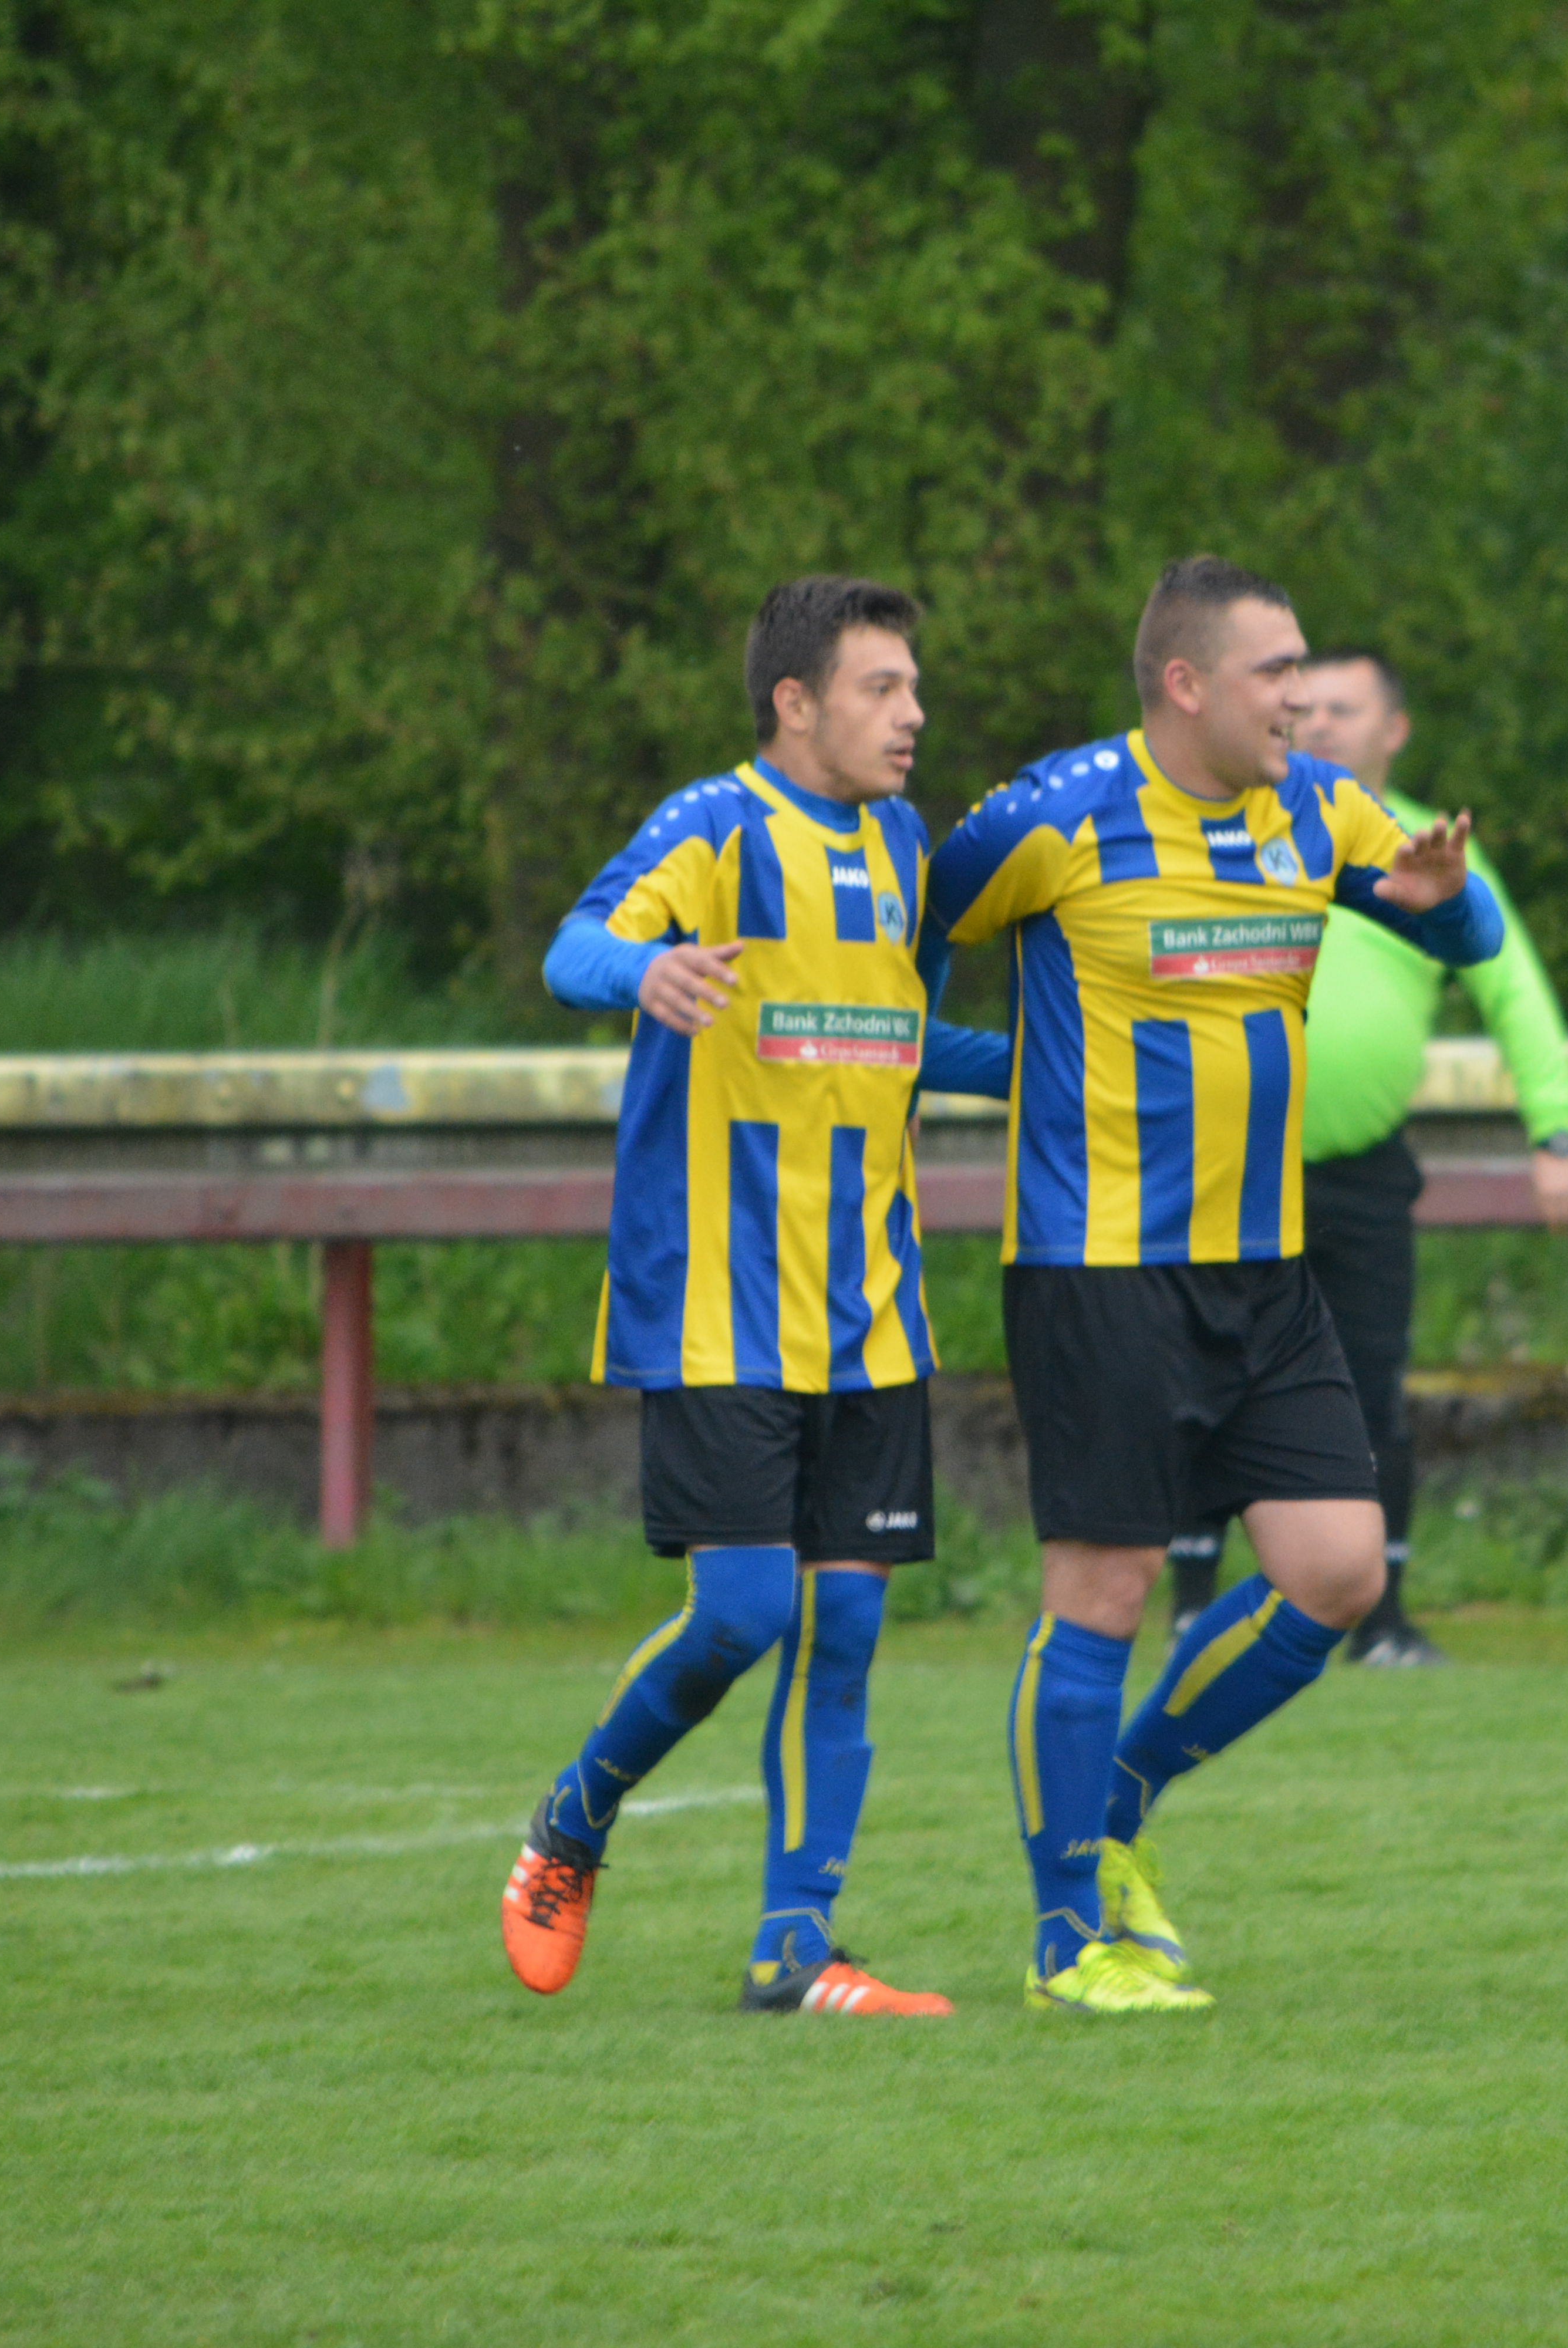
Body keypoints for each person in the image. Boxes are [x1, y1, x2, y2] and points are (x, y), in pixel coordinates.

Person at [923, 555, 1503, 2014]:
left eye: (1304, 665)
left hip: (1269, 1267)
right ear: (1186, 683)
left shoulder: (1319, 807)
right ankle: (1069, 1940)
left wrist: (1441, 903)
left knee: (1340, 1570)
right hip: (1100, 1267)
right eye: (1275, 670)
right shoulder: (1052, 816)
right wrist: (987, 1075)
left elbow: (1470, 932)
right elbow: (904, 957)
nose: (1301, 695)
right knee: (1104, 1589)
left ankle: (1115, 1800)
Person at [495, 575, 1015, 2018]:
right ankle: (574, 1817)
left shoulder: (906, 846)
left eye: (914, 686)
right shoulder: (714, 826)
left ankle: (797, 1944)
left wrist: (1060, 1067)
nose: (913, 714)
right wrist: (645, 969)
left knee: (844, 1627)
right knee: (740, 1614)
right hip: (717, 1302)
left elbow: (903, 1030)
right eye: (881, 687)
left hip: (872, 1309)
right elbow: (572, 948)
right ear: (796, 701)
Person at [1164, 648, 1568, 1668]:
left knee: (1368, 1388)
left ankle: (1381, 1618)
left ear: (1394, 730)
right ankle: (1188, 1603)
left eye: (1344, 709)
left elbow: (1514, 991)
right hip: (1224, 1164)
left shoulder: (1430, 850)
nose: (1318, 724)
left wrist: (1556, 1133)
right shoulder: (1237, 828)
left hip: (1360, 1176)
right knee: (1200, 1380)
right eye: (1304, 706)